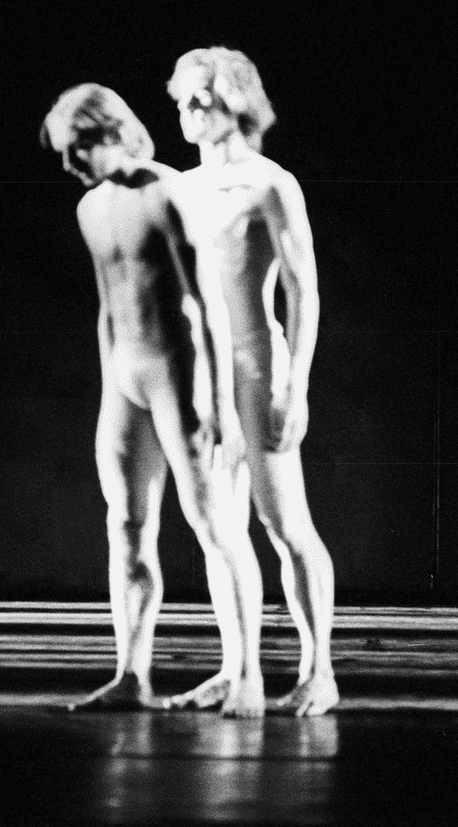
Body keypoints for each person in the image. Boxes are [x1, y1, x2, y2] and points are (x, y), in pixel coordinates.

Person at [40, 83, 267, 717]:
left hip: (178, 374)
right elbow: (107, 306)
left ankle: (246, 674)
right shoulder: (91, 207)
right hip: (126, 377)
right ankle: (131, 675)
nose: (70, 164)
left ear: (112, 132)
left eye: (78, 147)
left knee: (215, 525)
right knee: (127, 525)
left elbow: (206, 303)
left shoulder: (170, 192)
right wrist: (110, 385)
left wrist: (217, 400)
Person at [164, 48, 339, 716]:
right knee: (219, 526)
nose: (188, 111)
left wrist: (296, 386)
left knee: (284, 520)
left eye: (201, 98)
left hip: (258, 361)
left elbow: (305, 289)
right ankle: (237, 668)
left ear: (234, 100)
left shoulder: (270, 184)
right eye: (182, 99)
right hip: (204, 370)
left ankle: (318, 670)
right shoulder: (181, 187)